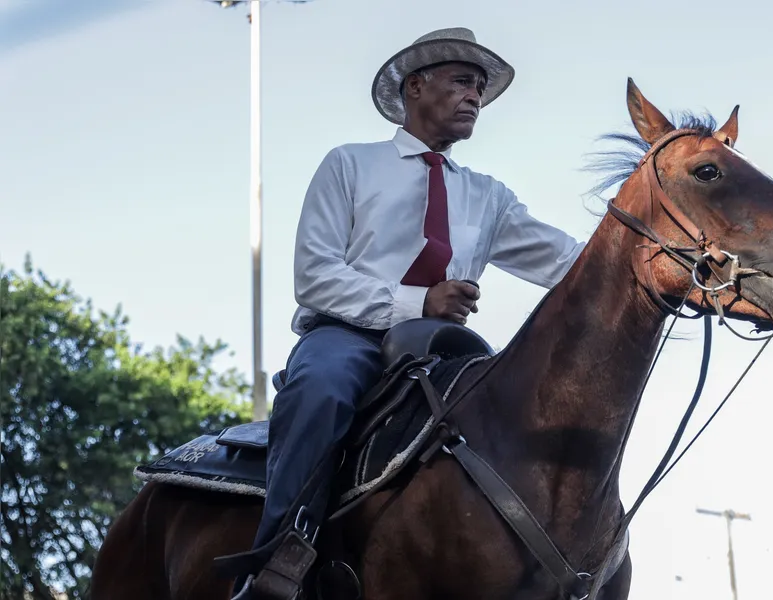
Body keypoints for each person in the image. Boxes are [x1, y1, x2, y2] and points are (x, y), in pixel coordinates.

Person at [236, 27, 586, 597]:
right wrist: (417, 302)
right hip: (347, 338)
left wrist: (656, 255)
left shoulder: (488, 194)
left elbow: (569, 263)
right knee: (319, 390)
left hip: (444, 353)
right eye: (461, 82)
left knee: (517, 412)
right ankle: (280, 559)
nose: (474, 96)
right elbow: (315, 276)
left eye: (479, 87)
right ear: (416, 87)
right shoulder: (349, 164)